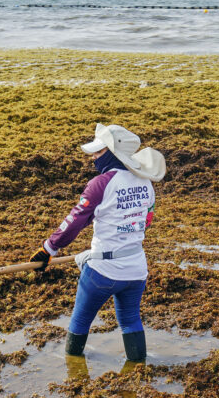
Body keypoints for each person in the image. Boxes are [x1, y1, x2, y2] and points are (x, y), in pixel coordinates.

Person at [28, 123, 165, 363]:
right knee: (131, 320)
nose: (93, 157)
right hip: (136, 270)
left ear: (113, 153)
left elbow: (74, 222)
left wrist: (47, 249)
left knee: (80, 321)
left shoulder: (100, 184)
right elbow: (146, 221)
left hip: (102, 272)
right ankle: (139, 371)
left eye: (98, 152)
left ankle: (72, 368)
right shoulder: (146, 183)